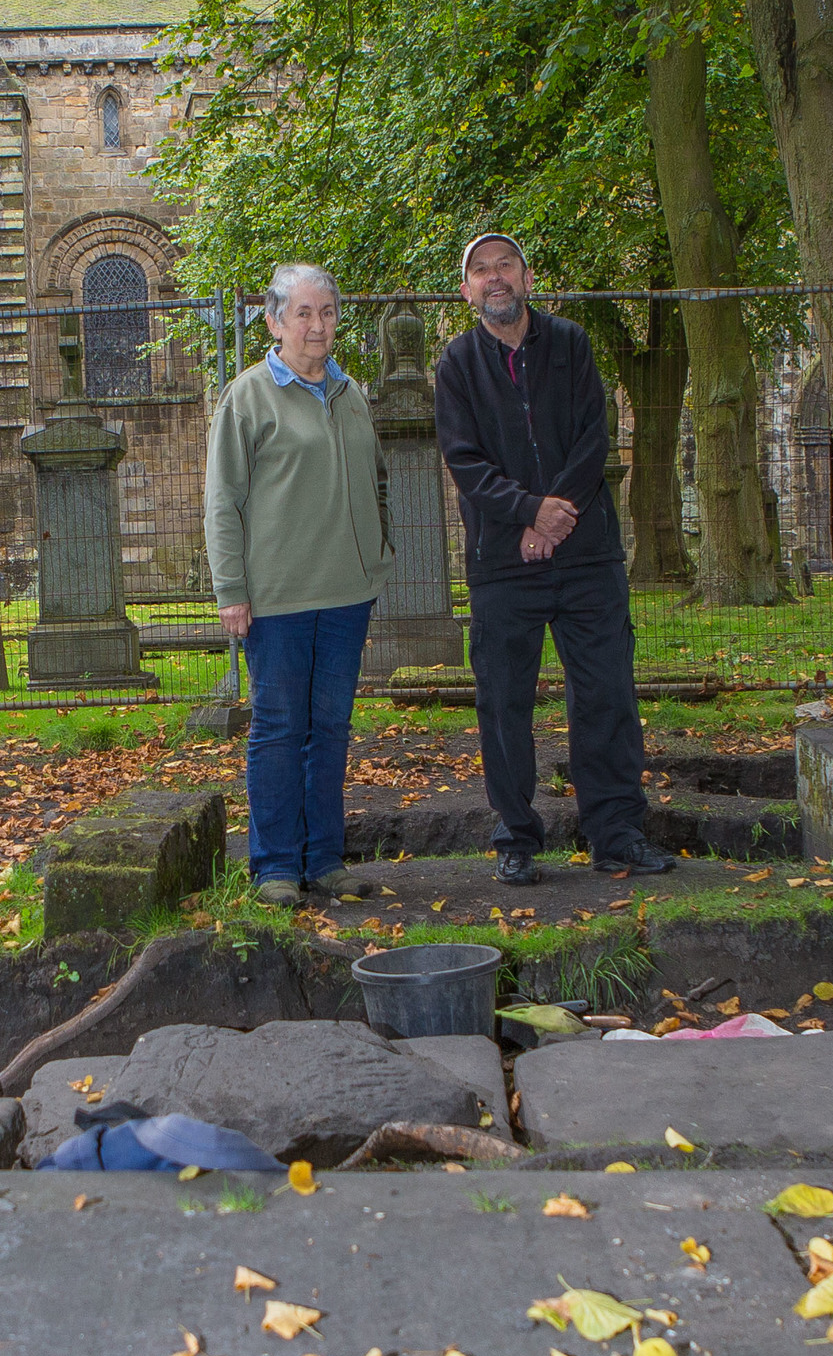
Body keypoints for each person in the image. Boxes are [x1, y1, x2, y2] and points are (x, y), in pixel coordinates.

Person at [432, 231, 673, 885]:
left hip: (586, 555)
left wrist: (556, 511)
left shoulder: (570, 344)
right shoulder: (456, 363)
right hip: (503, 562)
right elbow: (465, 461)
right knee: (505, 703)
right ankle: (516, 836)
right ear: (467, 290)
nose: (495, 277)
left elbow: (594, 436)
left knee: (606, 694)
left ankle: (617, 835)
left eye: (504, 264)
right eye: (481, 270)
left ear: (527, 276)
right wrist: (527, 512)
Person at [206, 262, 391, 908]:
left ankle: (325, 860)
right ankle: (276, 867)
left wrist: (379, 555)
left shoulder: (351, 393)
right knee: (281, 729)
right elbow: (222, 500)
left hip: (347, 594)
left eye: (327, 313)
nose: (317, 326)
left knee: (331, 728)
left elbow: (377, 482)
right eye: (303, 314)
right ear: (274, 320)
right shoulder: (248, 397)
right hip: (278, 598)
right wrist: (230, 588)